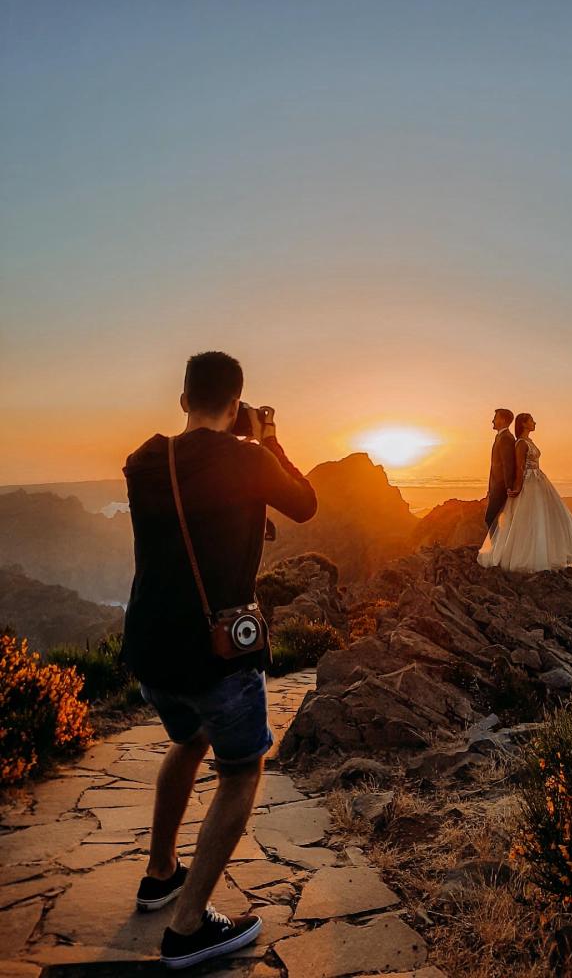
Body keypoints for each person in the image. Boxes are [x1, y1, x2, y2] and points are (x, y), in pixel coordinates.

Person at [121, 351, 316, 969]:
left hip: (150, 649)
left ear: (182, 401)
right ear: (236, 404)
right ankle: (186, 928)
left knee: (190, 738)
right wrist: (270, 441)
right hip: (216, 651)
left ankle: (160, 875)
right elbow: (305, 504)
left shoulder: (144, 461)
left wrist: (241, 436)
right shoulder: (249, 458)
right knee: (241, 771)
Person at [478, 412, 572, 573]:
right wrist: (516, 487)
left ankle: (539, 553)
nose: (535, 423)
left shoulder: (525, 441)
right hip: (528, 483)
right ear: (524, 424)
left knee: (540, 518)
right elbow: (518, 467)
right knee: (526, 519)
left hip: (538, 482)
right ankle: (508, 552)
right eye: (532, 421)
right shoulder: (520, 443)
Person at [485, 408, 516, 530]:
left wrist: (508, 487)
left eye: (495, 418)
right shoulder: (500, 437)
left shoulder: (506, 438)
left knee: (490, 518)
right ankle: (500, 547)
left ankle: (499, 548)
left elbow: (507, 464)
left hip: (501, 487)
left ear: (502, 420)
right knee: (495, 519)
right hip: (496, 487)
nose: (492, 420)